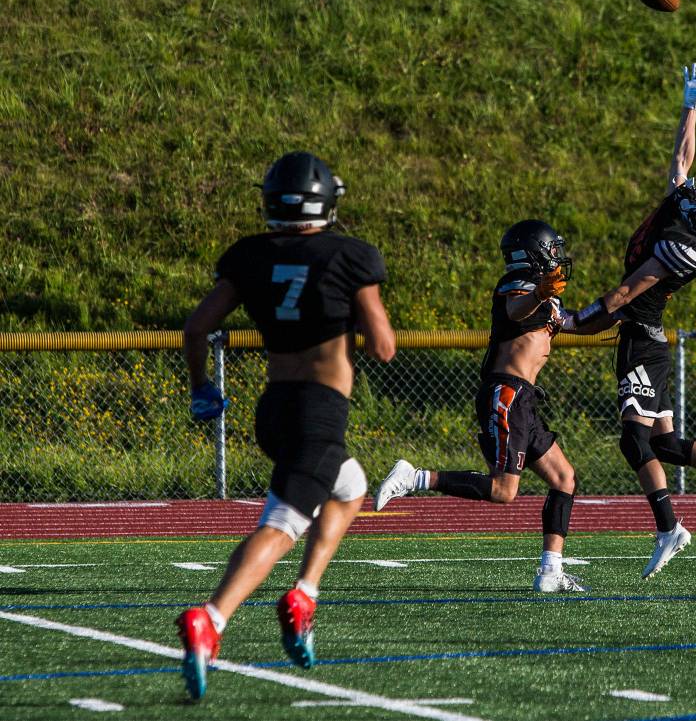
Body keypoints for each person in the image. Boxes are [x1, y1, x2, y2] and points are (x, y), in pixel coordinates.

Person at [175, 151, 396, 700]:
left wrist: (203, 387)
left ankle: (304, 594)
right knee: (280, 524)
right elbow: (385, 348)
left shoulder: (250, 256)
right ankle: (212, 617)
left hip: (272, 409)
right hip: (319, 411)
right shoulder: (349, 255)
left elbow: (198, 327)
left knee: (352, 487)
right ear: (328, 201)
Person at [562, 63, 696, 580]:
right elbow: (682, 160)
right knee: (661, 444)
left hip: (639, 338)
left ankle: (669, 528)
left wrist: (572, 321)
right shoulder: (687, 209)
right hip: (645, 338)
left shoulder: (684, 247)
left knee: (633, 442)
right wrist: (690, 106)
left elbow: (624, 293)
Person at [374, 220, 586, 593]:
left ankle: (550, 571)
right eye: (552, 248)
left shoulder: (545, 294)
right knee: (504, 491)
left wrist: (624, 311)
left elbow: (575, 322)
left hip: (525, 399)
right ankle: (414, 476)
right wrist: (539, 293)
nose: (557, 255)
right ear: (532, 251)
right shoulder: (518, 284)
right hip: (506, 393)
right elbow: (517, 310)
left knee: (564, 479)